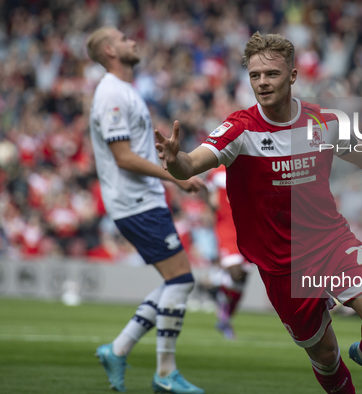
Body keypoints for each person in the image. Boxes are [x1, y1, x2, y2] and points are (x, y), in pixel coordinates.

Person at [155, 32, 362, 394]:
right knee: (326, 357)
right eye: (255, 75)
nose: (262, 82)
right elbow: (192, 163)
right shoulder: (241, 129)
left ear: (293, 76)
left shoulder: (324, 122)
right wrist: (177, 162)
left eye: (272, 74)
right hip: (280, 263)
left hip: (329, 241)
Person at [86, 26, 205, 394]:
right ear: (109, 50)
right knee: (182, 281)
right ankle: (164, 373)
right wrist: (175, 177)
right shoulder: (111, 95)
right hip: (134, 201)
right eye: (123, 39)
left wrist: (169, 159)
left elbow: (134, 151)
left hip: (142, 199)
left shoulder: (124, 91)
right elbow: (123, 158)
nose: (133, 41)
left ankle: (118, 349)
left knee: (176, 281)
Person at [205, 165, 250, 339]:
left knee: (242, 279)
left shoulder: (249, 167)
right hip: (226, 228)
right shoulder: (216, 172)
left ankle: (225, 319)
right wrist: (210, 209)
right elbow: (210, 196)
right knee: (236, 272)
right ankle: (217, 284)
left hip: (248, 229)